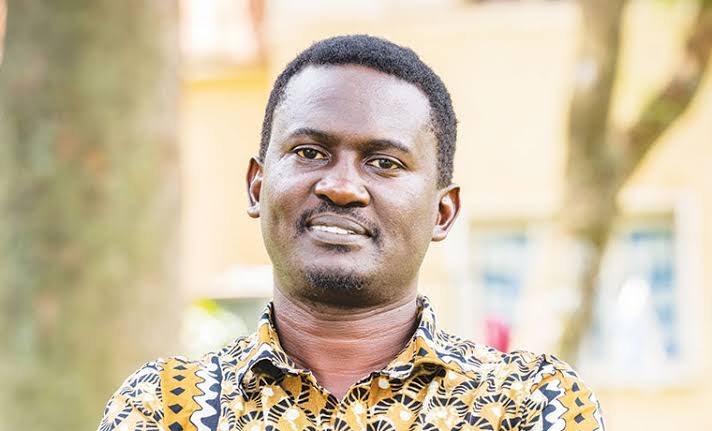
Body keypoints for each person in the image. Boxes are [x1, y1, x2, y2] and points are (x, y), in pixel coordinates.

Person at [98, 35, 604, 431]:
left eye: (384, 162)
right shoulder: (168, 405)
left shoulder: (530, 403)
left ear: (443, 212)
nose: (341, 187)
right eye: (310, 153)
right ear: (257, 186)